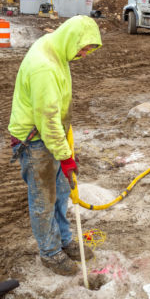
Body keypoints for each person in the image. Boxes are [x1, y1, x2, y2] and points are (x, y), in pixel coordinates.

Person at [8, 15, 102, 276]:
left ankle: (63, 240)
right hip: (35, 140)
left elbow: (56, 112)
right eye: (83, 49)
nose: (83, 55)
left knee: (61, 193)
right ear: (73, 39)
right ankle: (49, 253)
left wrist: (66, 148)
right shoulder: (45, 66)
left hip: (51, 135)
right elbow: (47, 119)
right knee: (44, 199)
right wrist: (65, 156)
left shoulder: (58, 50)